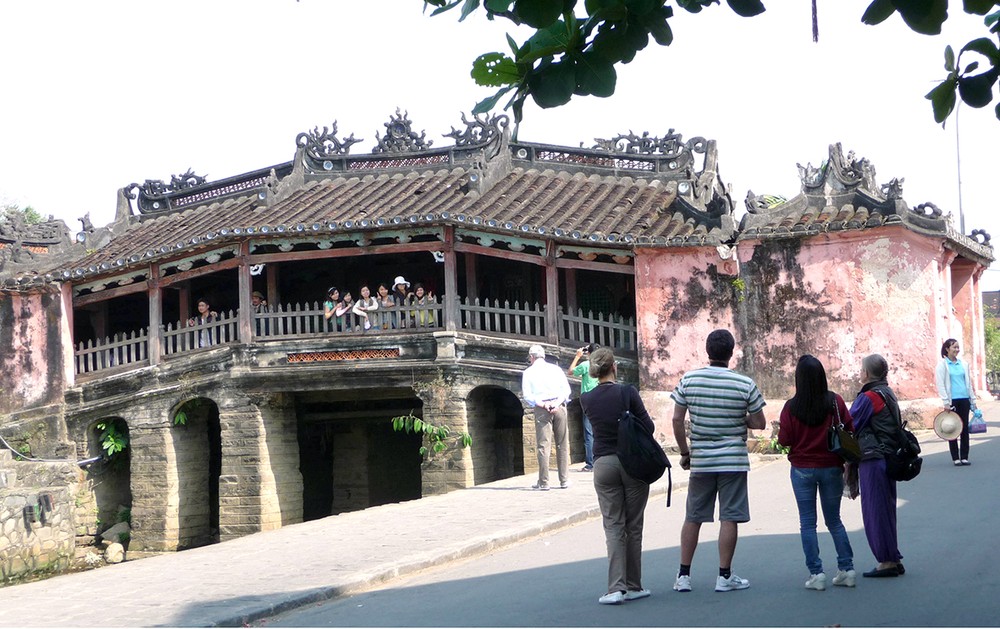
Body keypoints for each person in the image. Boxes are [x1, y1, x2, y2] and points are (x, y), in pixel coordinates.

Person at [670, 329, 766, 593]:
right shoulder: (744, 384)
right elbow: (759, 422)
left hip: (701, 460)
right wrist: (739, 418)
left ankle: (683, 576)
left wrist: (685, 453)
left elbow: (677, 419)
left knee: (693, 517)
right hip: (733, 461)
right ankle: (724, 576)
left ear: (707, 350)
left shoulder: (689, 380)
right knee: (729, 517)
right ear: (731, 353)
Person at [581, 347, 653, 605]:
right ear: (614, 367)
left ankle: (615, 588)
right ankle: (634, 585)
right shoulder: (628, 393)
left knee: (613, 525)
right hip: (632, 462)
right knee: (633, 526)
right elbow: (649, 427)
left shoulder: (586, 399)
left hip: (603, 464)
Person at [778, 355, 856, 591]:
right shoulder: (835, 402)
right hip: (831, 466)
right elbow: (850, 428)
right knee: (834, 521)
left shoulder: (791, 407)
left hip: (802, 468)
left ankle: (816, 573)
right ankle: (847, 569)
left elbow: (784, 439)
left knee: (807, 523)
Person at [850, 353, 906, 578]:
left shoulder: (869, 396)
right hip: (889, 456)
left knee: (875, 511)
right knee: (887, 509)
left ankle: (886, 560)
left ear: (865, 373)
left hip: (873, 458)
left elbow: (850, 424)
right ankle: (892, 556)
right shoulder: (887, 391)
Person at [521, 344, 572, 491]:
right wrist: (556, 403)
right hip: (559, 406)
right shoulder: (556, 369)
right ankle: (564, 480)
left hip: (542, 408)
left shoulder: (528, 372)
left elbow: (527, 396)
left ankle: (544, 482)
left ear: (531, 357)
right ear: (543, 356)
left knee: (543, 445)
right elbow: (566, 390)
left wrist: (544, 405)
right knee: (562, 443)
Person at [935, 338, 977, 466]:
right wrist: (946, 402)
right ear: (947, 349)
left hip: (964, 399)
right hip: (952, 401)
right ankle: (955, 457)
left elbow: (968, 384)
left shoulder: (963, 364)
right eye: (954, 347)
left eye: (958, 347)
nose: (957, 350)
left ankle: (964, 456)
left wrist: (973, 400)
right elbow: (940, 384)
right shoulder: (942, 365)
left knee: (964, 428)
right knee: (952, 428)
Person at [568, 343, 600, 472]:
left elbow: (570, 371)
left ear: (589, 353)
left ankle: (591, 464)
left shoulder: (586, 365)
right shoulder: (603, 365)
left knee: (589, 433)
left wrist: (577, 356)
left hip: (589, 401)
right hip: (602, 399)